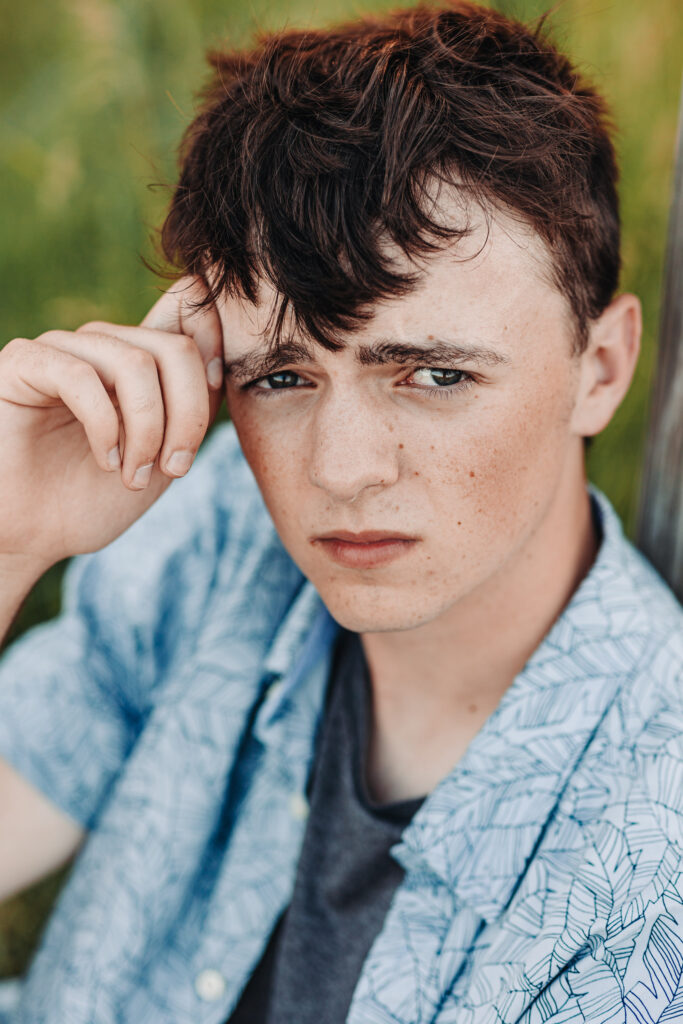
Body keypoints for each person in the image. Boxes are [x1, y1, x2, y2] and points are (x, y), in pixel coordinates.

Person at [0, 1, 681, 1021]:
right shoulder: (223, 529)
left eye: (435, 374)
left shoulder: (642, 885)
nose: (340, 467)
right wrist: (12, 537)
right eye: (278, 376)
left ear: (602, 367)